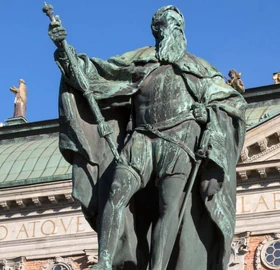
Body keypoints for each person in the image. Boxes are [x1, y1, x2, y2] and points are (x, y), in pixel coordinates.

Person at [48, 5, 246, 270]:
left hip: (180, 143)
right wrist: (65, 53)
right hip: (141, 138)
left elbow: (232, 103)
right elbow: (96, 75)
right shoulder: (139, 60)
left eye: (178, 25)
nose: (175, 29)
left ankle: (159, 266)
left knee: (170, 207)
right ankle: (105, 262)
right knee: (117, 191)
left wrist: (208, 113)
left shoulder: (200, 68)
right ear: (157, 30)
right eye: (169, 24)